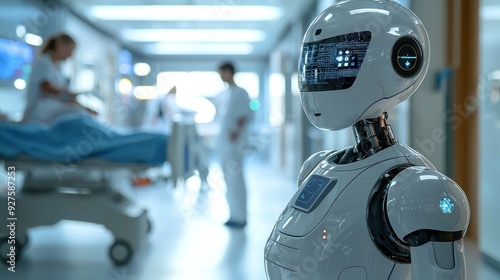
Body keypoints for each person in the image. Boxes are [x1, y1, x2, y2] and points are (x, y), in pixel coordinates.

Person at [22, 32, 93, 124]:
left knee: (81, 112)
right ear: (61, 47)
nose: (70, 55)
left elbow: (64, 98)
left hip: (48, 111)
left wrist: (84, 108)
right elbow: (46, 87)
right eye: (70, 50)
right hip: (38, 112)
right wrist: (68, 93)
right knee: (76, 113)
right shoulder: (44, 63)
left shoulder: (58, 69)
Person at [215, 62, 253, 228]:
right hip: (225, 143)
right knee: (228, 179)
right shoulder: (226, 93)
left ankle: (241, 216)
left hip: (235, 143)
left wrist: (235, 131)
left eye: (222, 73)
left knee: (236, 178)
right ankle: (233, 214)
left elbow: (245, 115)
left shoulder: (240, 92)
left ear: (229, 72)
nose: (220, 76)